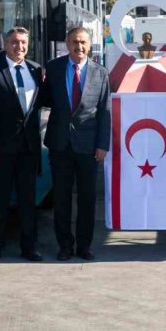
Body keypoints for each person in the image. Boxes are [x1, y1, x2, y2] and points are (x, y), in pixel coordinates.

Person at [38, 26, 111, 261]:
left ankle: (84, 245)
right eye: (74, 42)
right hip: (60, 145)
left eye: (83, 43)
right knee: (61, 198)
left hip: (89, 147)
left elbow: (104, 112)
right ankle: (65, 246)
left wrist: (103, 144)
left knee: (87, 198)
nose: (79, 47)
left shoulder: (101, 73)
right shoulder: (54, 68)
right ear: (67, 44)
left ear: (89, 45)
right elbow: (45, 100)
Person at [0, 26, 43, 263]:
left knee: (28, 200)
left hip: (29, 149)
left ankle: (30, 247)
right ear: (5, 44)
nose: (19, 47)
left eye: (24, 42)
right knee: (0, 200)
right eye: (14, 42)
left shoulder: (36, 70)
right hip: (1, 150)